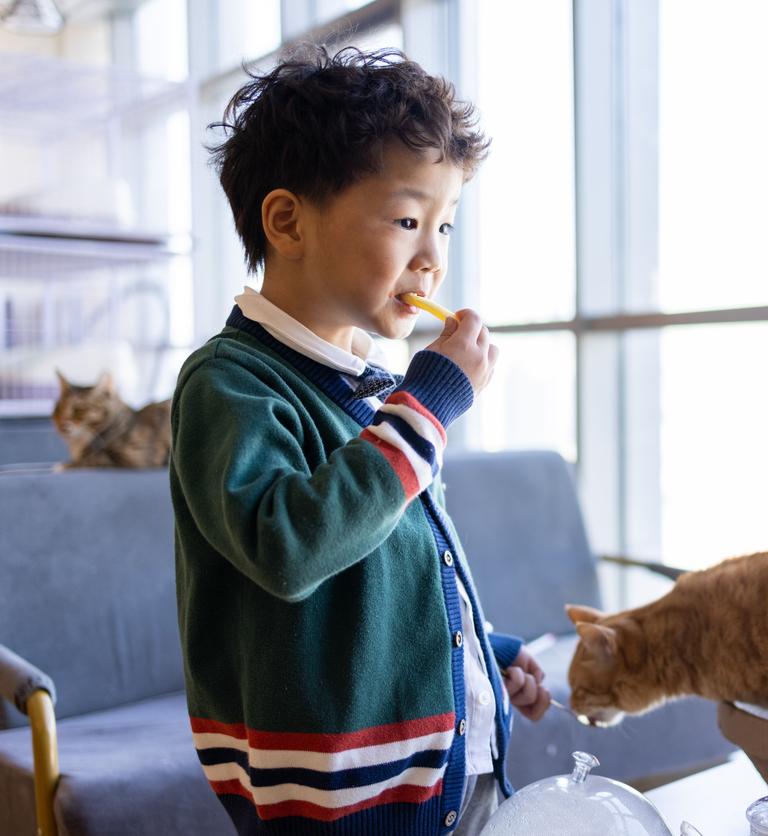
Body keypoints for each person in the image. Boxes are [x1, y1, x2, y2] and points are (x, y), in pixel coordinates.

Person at [169, 45, 550, 836]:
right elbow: (289, 547)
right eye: (408, 220)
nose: (432, 259)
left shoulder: (370, 390)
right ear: (287, 221)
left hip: (446, 761)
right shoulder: (230, 384)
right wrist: (429, 406)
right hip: (341, 795)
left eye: (443, 225)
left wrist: (482, 646)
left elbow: (386, 560)